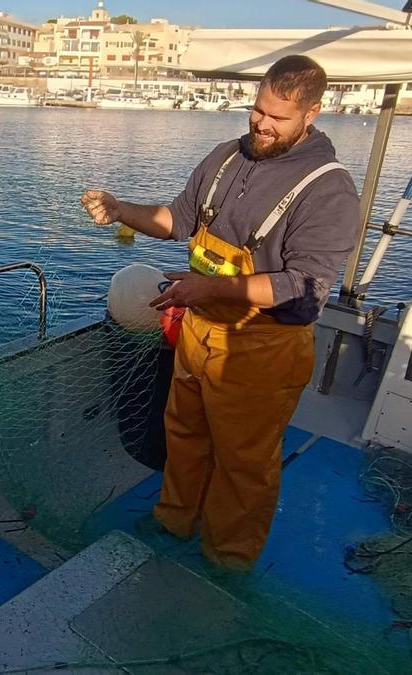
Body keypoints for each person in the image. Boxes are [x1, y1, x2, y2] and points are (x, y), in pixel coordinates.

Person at [81, 56, 360, 570]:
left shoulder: (329, 189)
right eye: (258, 110)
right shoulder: (225, 158)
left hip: (263, 350)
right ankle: (173, 519)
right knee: (183, 434)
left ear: (312, 113)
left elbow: (305, 288)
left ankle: (228, 557)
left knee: (244, 462)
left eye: (278, 117)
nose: (261, 124)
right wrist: (123, 210)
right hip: (199, 333)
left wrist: (209, 287)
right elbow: (177, 219)